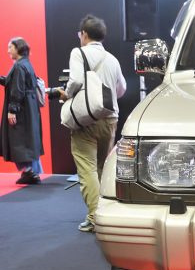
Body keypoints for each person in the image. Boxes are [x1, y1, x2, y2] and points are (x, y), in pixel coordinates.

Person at [54, 15, 126, 232]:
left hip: (86, 119)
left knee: (87, 168)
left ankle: (96, 218)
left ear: (84, 34)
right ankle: (108, 213)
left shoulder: (79, 52)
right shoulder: (112, 59)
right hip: (110, 118)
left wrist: (67, 94)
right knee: (103, 167)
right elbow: (121, 89)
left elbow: (76, 80)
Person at [0, 37, 44, 185]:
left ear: (18, 48)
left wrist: (12, 110)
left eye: (10, 47)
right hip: (29, 108)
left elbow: (17, 89)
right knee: (28, 139)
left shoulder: (19, 66)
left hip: (22, 110)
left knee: (20, 140)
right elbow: (13, 83)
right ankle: (32, 171)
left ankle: (29, 171)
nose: (8, 51)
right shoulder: (26, 64)